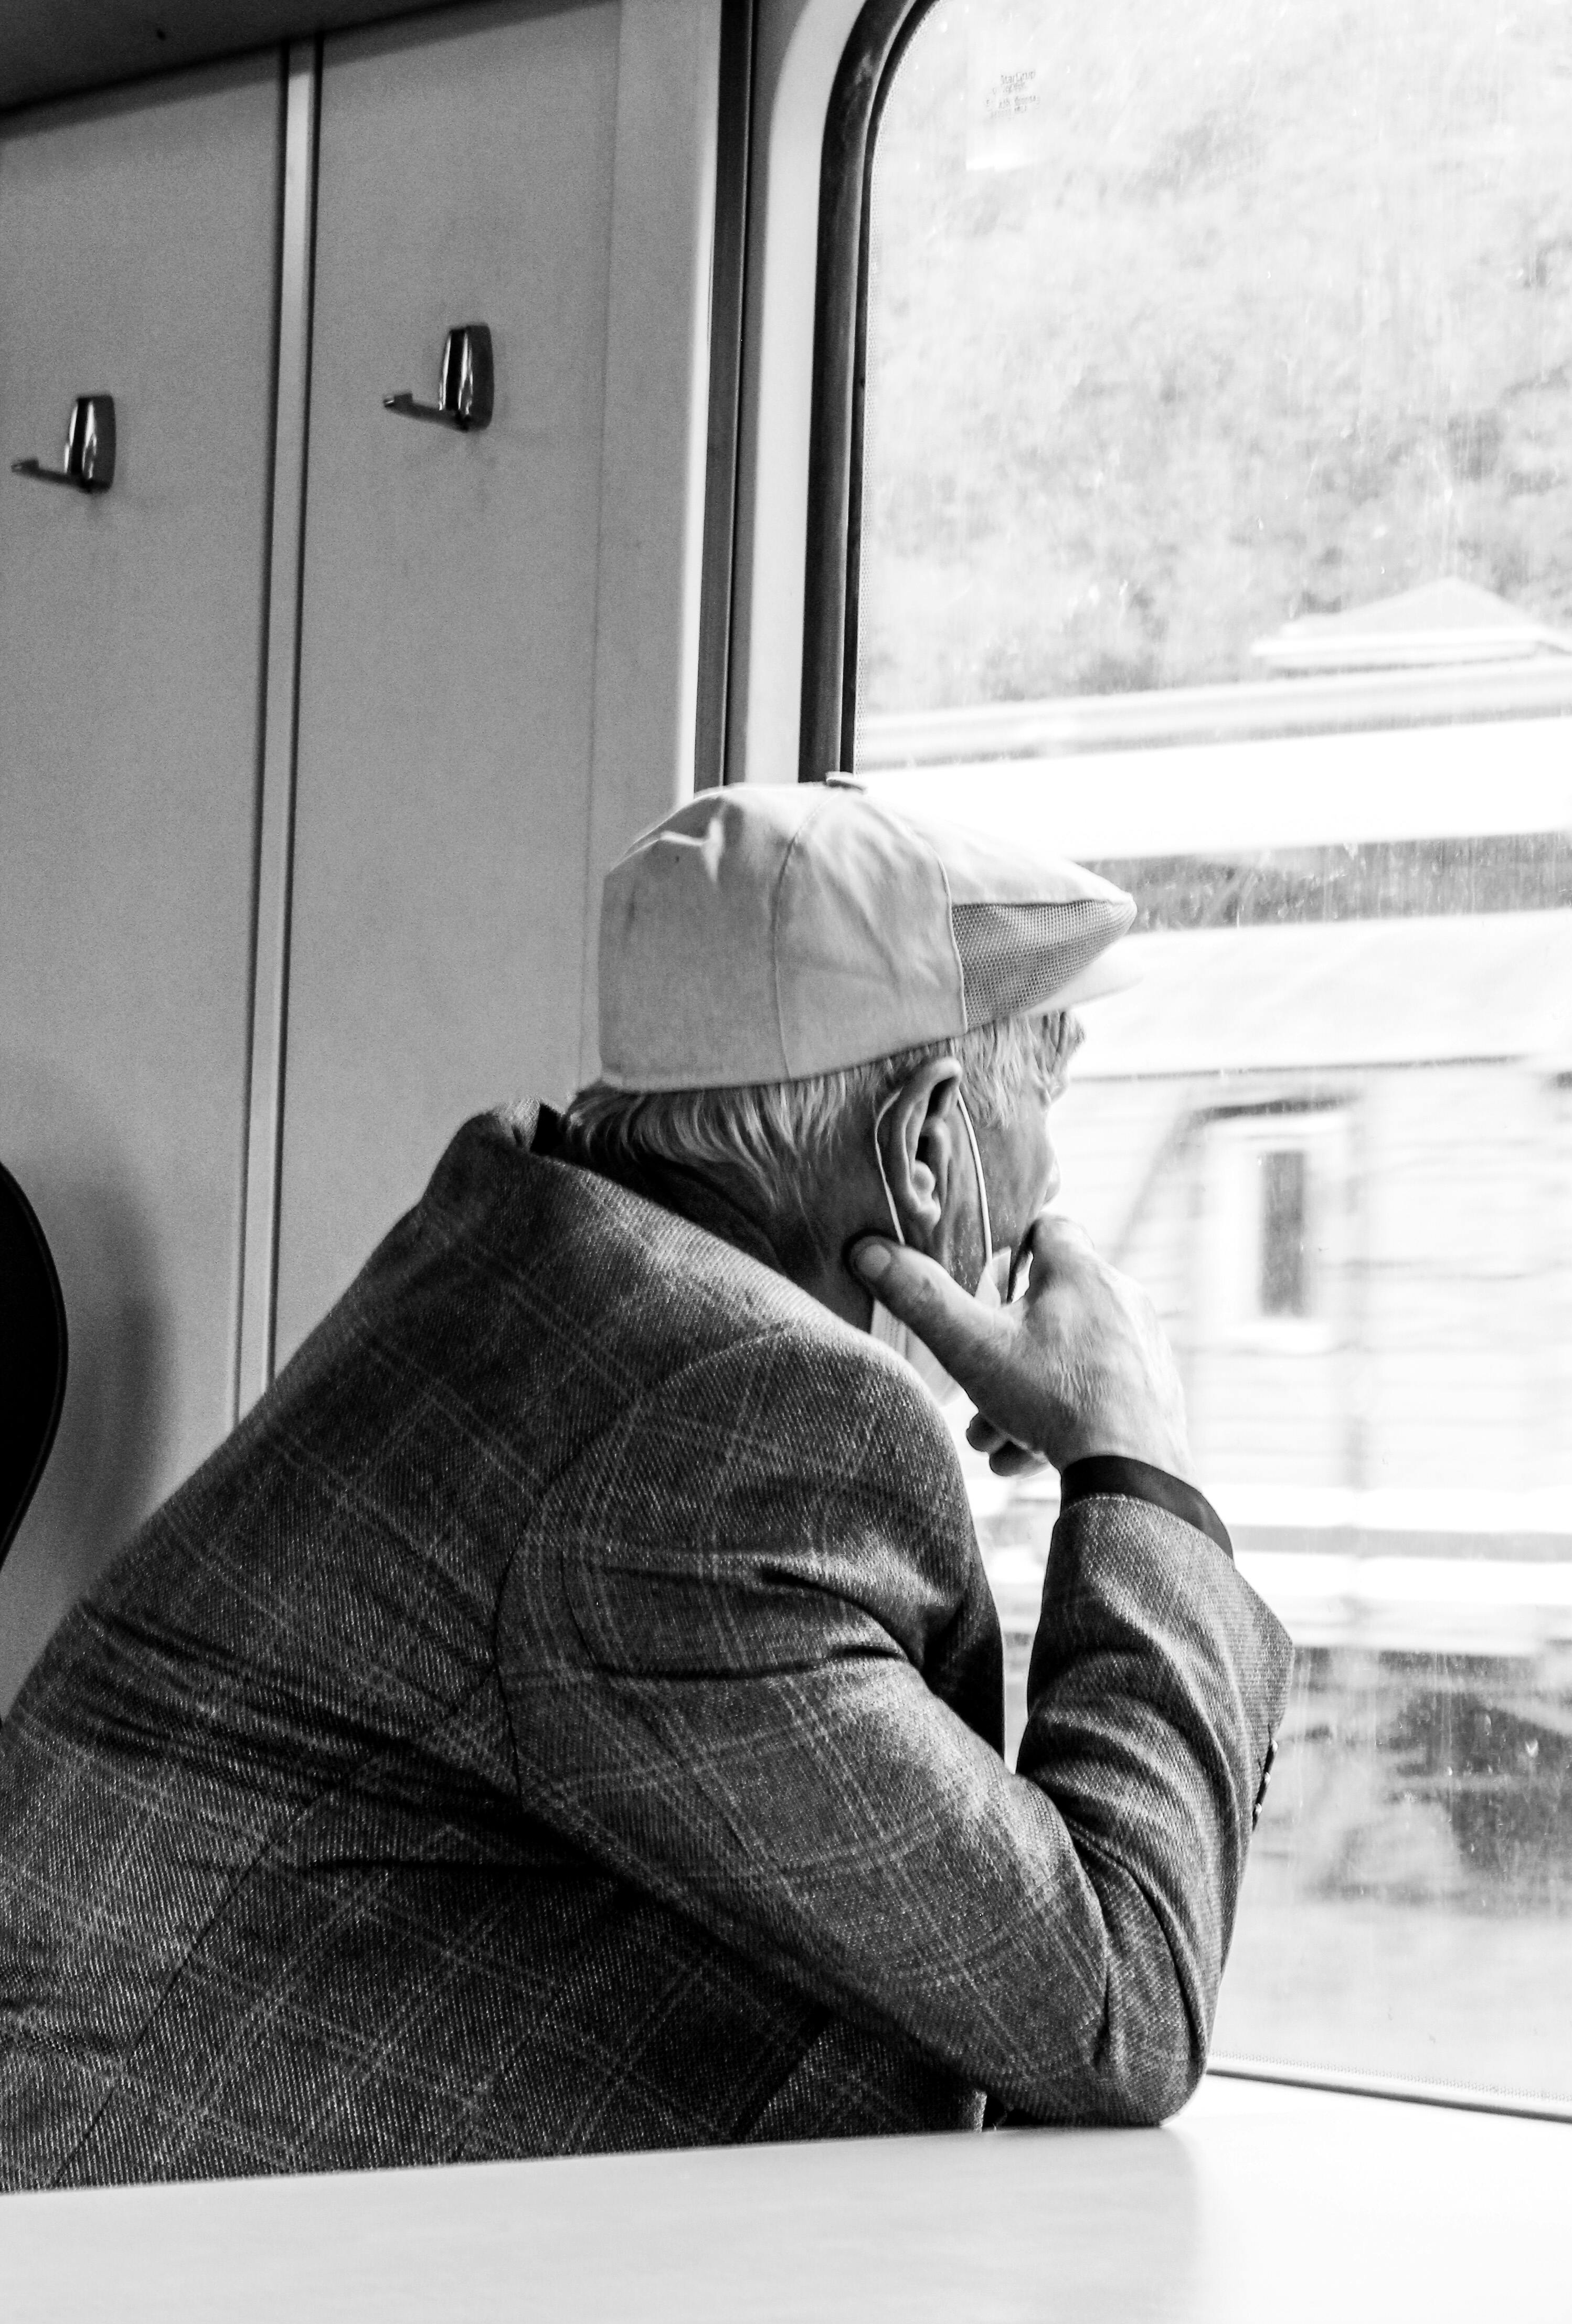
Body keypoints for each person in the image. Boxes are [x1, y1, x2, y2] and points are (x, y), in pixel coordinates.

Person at [0, 783, 1291, 2189]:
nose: (1054, 1176)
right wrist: (1140, 1467)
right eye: (1044, 1106)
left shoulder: (526, 1270)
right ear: (925, 1148)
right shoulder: (727, 1429)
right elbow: (1115, 2004)